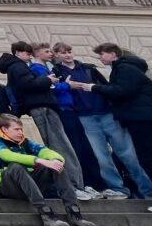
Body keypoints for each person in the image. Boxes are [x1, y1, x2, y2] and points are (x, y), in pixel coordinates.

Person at [72, 44, 152, 214]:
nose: (100, 58)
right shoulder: (129, 67)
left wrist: (93, 87)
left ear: (112, 54)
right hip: (148, 118)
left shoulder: (124, 68)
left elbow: (122, 91)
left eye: (101, 54)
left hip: (142, 119)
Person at [0, 41, 94, 200]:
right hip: (43, 108)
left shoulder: (17, 67)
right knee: (60, 147)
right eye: (27, 53)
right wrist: (49, 80)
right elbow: (28, 85)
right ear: (18, 52)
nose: (30, 56)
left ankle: (73, 186)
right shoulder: (18, 66)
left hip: (42, 108)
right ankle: (73, 187)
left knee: (59, 146)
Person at [52, 42, 143, 200]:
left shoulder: (89, 69)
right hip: (84, 117)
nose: (67, 54)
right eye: (62, 52)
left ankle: (148, 190)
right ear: (57, 56)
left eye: (69, 51)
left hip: (106, 114)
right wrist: (65, 86)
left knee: (128, 154)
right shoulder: (57, 72)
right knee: (101, 157)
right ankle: (118, 189)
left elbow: (108, 88)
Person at [0, 114, 96, 226]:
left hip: (29, 184)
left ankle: (74, 214)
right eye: (16, 129)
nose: (20, 132)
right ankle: (46, 215)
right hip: (9, 187)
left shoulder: (25, 142)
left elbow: (45, 151)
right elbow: (8, 156)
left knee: (56, 167)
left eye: (21, 129)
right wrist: (39, 161)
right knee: (15, 167)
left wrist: (56, 160)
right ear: (4, 129)